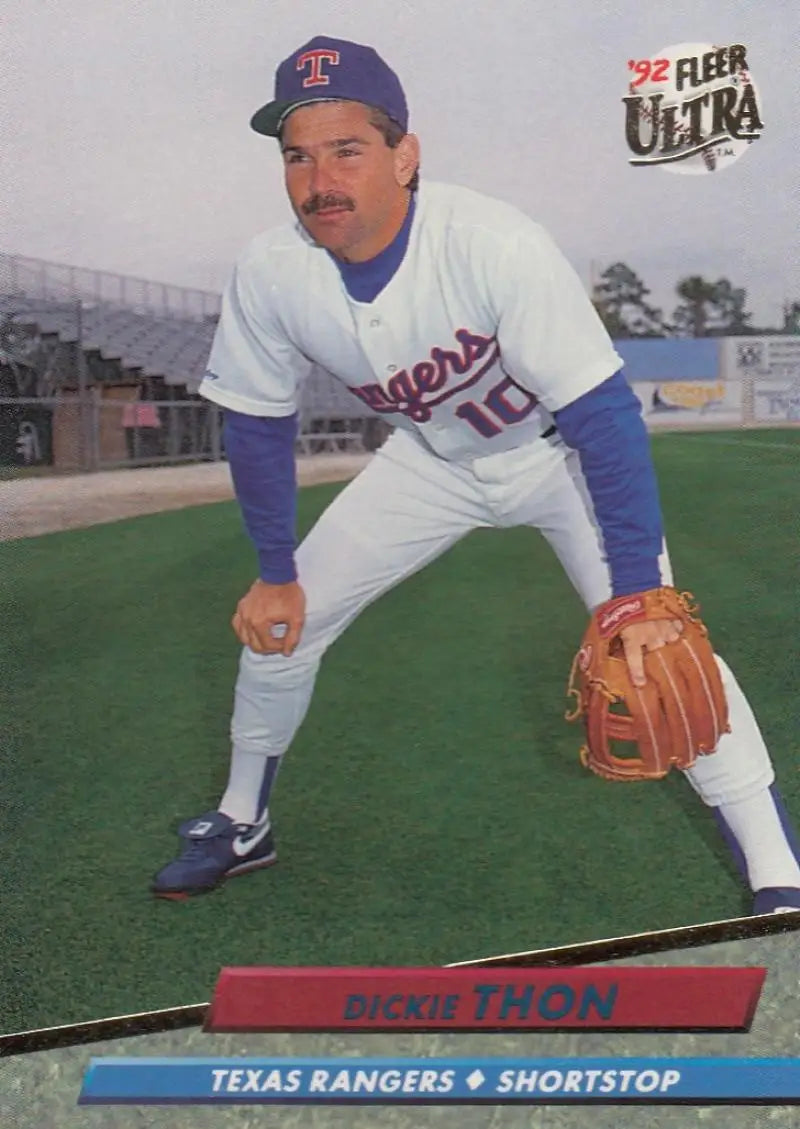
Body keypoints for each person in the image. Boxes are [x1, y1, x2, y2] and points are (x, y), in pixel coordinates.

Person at [152, 35, 800, 916]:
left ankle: (778, 872)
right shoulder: (274, 270)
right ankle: (242, 819)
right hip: (427, 465)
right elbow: (259, 421)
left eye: (346, 149)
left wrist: (639, 595)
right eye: (296, 156)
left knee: (659, 650)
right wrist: (274, 570)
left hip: (554, 457)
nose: (318, 179)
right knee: (280, 625)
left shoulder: (492, 241)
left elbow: (602, 414)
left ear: (403, 155)